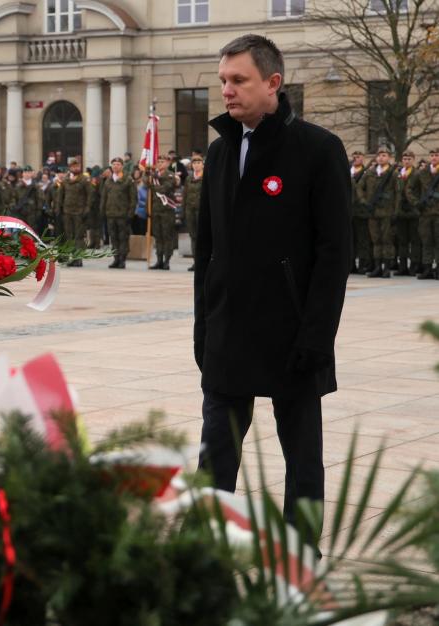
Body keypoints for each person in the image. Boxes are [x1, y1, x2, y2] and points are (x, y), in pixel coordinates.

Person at [194, 35, 351, 529]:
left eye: (238, 80)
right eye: (223, 81)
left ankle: (300, 553)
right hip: (228, 334)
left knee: (302, 459)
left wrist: (316, 336)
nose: (227, 91)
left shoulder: (318, 150)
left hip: (293, 334)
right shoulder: (220, 154)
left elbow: (334, 254)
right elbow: (206, 251)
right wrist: (204, 326)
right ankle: (199, 551)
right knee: (215, 452)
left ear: (273, 83)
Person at [359, 147, 396, 278]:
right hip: (373, 211)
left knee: (387, 240)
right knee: (376, 240)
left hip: (387, 212)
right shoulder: (370, 173)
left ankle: (386, 268)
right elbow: (360, 187)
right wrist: (364, 200)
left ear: (389, 158)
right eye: (379, 155)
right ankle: (377, 267)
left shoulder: (393, 173)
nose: (381, 158)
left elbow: (398, 193)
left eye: (384, 155)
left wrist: (395, 211)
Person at [100, 156, 136, 269]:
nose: (115, 166)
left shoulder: (128, 180)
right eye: (114, 164)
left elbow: (133, 198)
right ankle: (115, 258)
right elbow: (104, 198)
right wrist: (102, 211)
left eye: (118, 164)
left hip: (123, 214)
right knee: (113, 237)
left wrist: (130, 212)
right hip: (111, 214)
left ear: (122, 166)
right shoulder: (108, 180)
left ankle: (122, 259)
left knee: (123, 237)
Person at [55, 158, 93, 265]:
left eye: (77, 166)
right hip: (67, 212)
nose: (75, 168)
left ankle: (78, 259)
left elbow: (90, 195)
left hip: (79, 212)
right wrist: (58, 209)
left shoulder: (84, 180)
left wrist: (87, 209)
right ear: (70, 168)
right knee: (69, 235)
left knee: (78, 236)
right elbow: (60, 196)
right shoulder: (66, 180)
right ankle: (73, 257)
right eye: (73, 166)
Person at [409, 148, 439, 279]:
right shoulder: (422, 172)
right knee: (426, 241)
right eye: (432, 155)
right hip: (425, 213)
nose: (434, 158)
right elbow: (409, 189)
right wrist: (416, 203)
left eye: (437, 155)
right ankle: (427, 268)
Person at [148, 155, 179, 270]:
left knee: (167, 236)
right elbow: (147, 184)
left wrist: (153, 184)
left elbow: (164, 188)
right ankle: (159, 260)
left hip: (167, 211)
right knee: (158, 236)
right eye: (158, 162)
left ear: (167, 163)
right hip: (156, 210)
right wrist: (149, 177)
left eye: (162, 162)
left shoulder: (170, 175)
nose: (160, 163)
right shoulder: (154, 176)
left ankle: (167, 260)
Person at [394, 150, 420, 276]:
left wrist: (415, 204)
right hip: (400, 212)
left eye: (409, 159)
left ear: (413, 160)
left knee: (414, 241)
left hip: (413, 212)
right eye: (404, 159)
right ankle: (402, 266)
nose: (406, 161)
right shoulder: (398, 174)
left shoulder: (417, 174)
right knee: (402, 241)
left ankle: (414, 266)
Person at [349, 151, 372, 274]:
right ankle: (351, 264)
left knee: (362, 239)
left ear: (363, 158)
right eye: (354, 157)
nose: (356, 159)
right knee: (350, 239)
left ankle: (363, 264)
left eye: (358, 157)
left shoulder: (367, 172)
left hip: (361, 210)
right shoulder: (348, 171)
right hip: (349, 211)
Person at [184, 154, 205, 271]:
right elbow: (185, 195)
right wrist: (183, 212)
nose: (196, 165)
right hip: (190, 211)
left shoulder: (206, 177)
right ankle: (195, 262)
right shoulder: (188, 178)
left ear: (202, 165)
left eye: (198, 163)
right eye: (194, 163)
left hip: (201, 211)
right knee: (193, 237)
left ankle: (203, 262)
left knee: (202, 237)